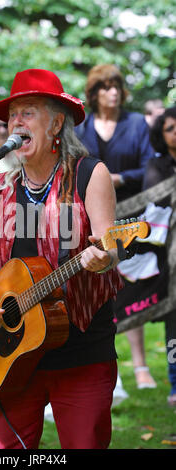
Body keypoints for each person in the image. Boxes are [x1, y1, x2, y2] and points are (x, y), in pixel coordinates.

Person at [0, 68, 124, 449]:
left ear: (57, 123)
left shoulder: (91, 175)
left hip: (82, 351)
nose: (15, 123)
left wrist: (103, 257)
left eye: (28, 113)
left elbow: (110, 247)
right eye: (12, 116)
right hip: (10, 357)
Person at [75, 64, 156, 390]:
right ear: (93, 93)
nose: (113, 92)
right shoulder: (81, 127)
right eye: (105, 86)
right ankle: (108, 370)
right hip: (90, 219)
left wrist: (119, 179)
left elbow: (150, 165)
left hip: (131, 218)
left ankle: (140, 366)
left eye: (117, 86)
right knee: (96, 288)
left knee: (131, 288)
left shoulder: (137, 123)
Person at [143, 106, 176, 406]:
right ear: (161, 135)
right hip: (170, 258)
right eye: (170, 128)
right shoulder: (157, 166)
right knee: (174, 322)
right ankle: (175, 384)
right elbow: (155, 204)